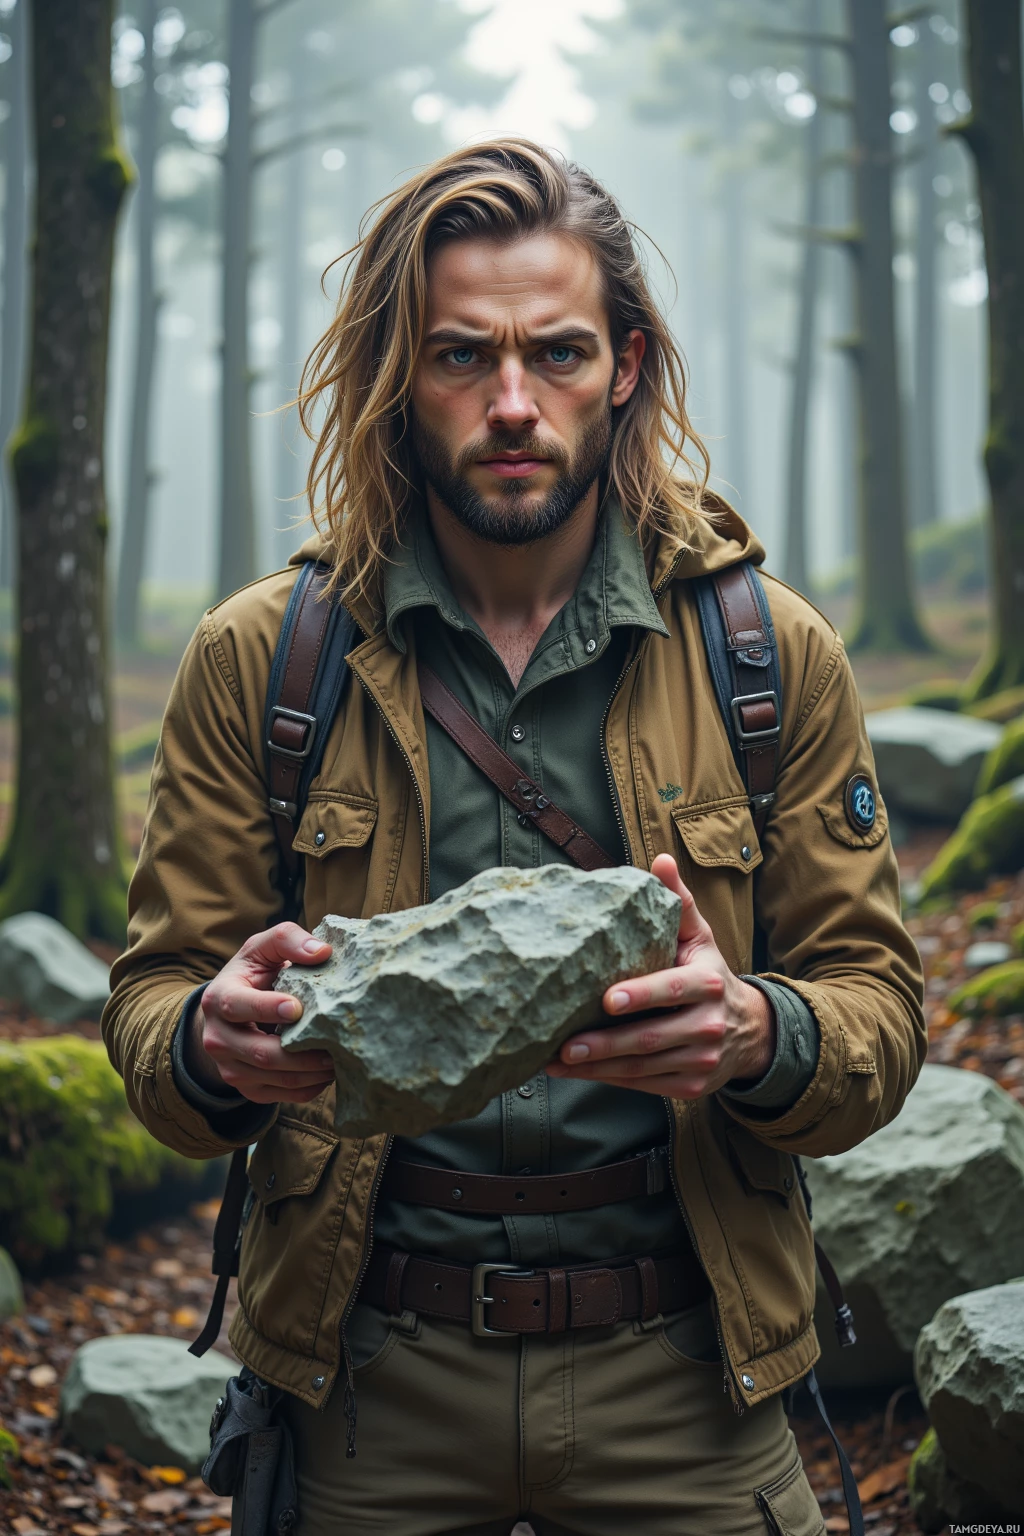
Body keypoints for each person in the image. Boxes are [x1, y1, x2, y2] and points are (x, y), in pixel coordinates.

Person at [103, 139, 925, 1536]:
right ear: (398, 372)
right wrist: (207, 1042)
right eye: (459, 356)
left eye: (556, 353)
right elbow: (152, 1012)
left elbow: (881, 1018)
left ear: (627, 364)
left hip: (685, 1383)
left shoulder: (766, 654)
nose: (510, 403)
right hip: (369, 1384)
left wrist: (755, 1033)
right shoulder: (267, 658)